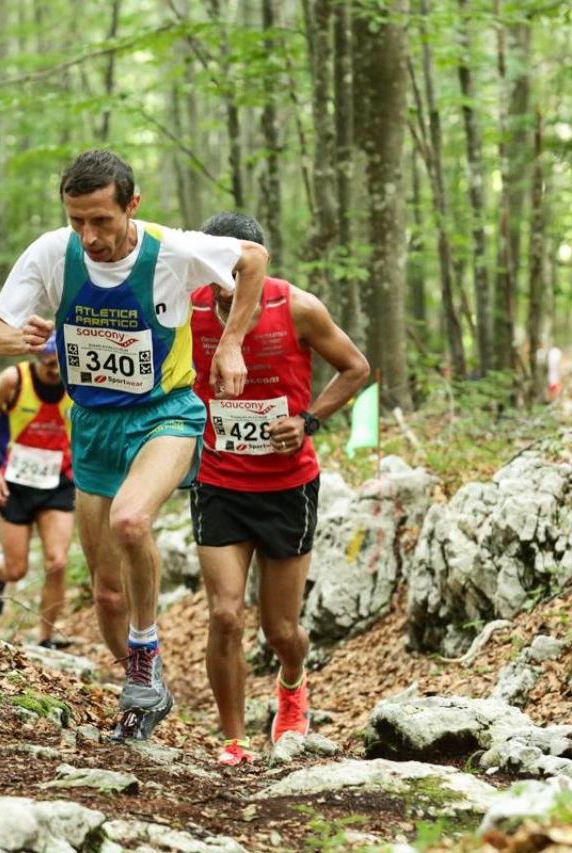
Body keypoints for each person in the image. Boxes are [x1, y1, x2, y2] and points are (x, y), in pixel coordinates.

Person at [0, 149, 269, 742]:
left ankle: (142, 656)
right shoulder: (51, 253)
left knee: (131, 521)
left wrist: (233, 341)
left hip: (165, 413)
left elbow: (253, 258)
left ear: (132, 206)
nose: (89, 236)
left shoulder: (173, 251)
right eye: (77, 220)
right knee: (107, 594)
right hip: (92, 425)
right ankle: (145, 684)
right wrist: (14, 341)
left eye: (102, 221)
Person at [189, 212, 369, 767]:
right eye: (219, 266)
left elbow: (356, 368)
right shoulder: (187, 308)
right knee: (223, 614)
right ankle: (233, 738)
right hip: (218, 480)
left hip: (286, 485)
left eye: (239, 267)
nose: (229, 278)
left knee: (281, 629)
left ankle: (292, 684)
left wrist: (308, 421)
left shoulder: (297, 307)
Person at [0, 339, 74, 649]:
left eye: (59, 363)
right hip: (14, 483)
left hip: (58, 481)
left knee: (57, 562)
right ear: (36, 357)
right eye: (48, 363)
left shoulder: (77, 382)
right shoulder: (14, 380)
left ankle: (45, 638)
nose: (53, 370)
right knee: (17, 570)